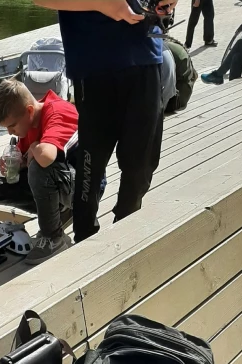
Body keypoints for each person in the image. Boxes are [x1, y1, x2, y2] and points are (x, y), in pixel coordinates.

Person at [32, 0, 177, 244]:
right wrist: (104, 4)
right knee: (91, 165)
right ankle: (84, 240)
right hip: (94, 64)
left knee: (141, 166)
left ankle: (124, 237)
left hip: (146, 57)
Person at [0, 80, 78, 264]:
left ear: (29, 111)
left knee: (39, 167)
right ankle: (60, 214)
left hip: (84, 189)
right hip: (60, 183)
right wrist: (16, 163)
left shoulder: (57, 111)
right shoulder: (27, 126)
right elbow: (29, 158)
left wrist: (33, 147)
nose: (11, 132)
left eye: (12, 126)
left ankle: (53, 237)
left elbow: (45, 157)